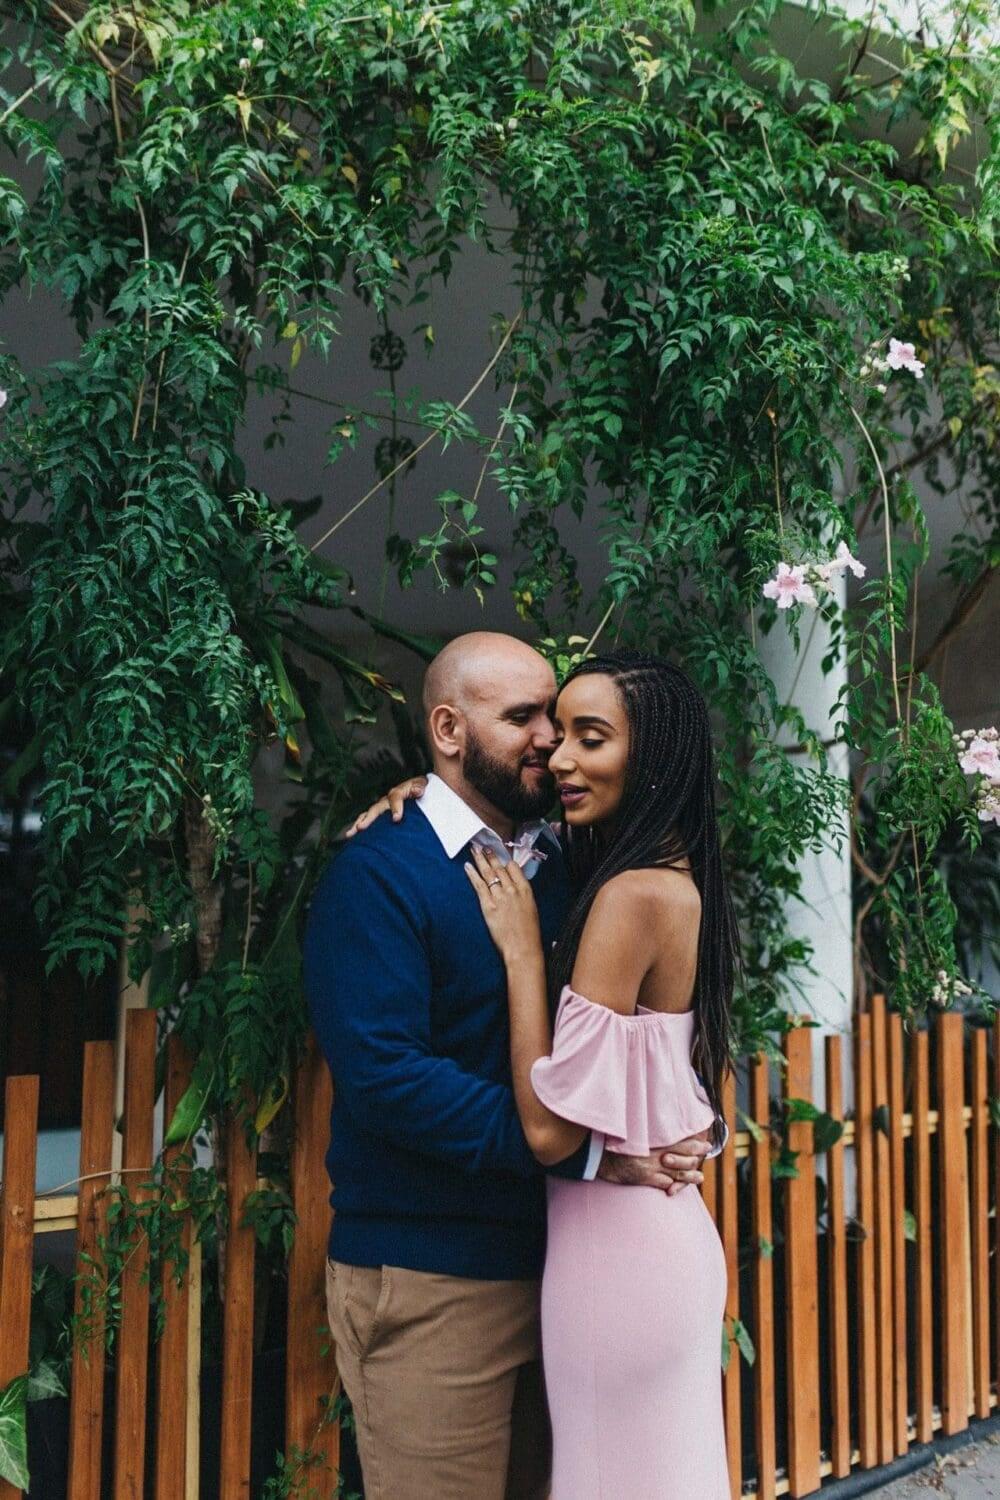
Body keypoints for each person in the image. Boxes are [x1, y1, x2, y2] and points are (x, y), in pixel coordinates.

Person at [302, 632, 727, 1500]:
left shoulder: (570, 862)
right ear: (448, 731)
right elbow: (387, 1079)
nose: (550, 743)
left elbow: (647, 1023)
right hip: (435, 1277)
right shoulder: (378, 874)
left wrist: (680, 1125)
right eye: (525, 718)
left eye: (563, 723)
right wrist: (586, 1152)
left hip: (567, 1271)